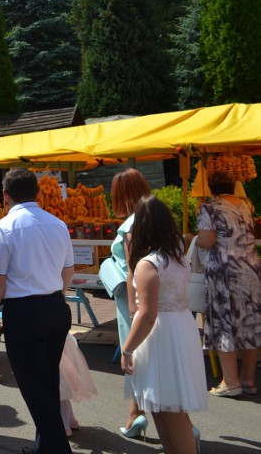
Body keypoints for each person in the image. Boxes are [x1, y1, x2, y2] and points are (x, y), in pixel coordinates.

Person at [0, 168, 74, 454]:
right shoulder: (57, 223)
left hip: (25, 311)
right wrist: (55, 294)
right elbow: (68, 270)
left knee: (36, 389)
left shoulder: (4, 227)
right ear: (36, 192)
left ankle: (57, 450)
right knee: (47, 383)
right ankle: (43, 449)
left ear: (5, 195)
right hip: (55, 306)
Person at [121, 196, 207, 453]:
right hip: (180, 327)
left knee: (168, 409)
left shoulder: (149, 264)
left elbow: (147, 315)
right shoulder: (178, 258)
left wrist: (127, 349)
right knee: (161, 407)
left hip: (161, 335)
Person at [195, 170, 261, 397]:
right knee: (250, 323)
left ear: (211, 186)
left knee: (226, 322)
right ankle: (248, 379)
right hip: (251, 268)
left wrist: (193, 239)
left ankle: (230, 381)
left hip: (225, 271)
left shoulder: (210, 207)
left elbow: (206, 240)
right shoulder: (246, 205)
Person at [107, 168, 154, 437]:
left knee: (136, 356)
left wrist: (134, 306)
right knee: (147, 357)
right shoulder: (154, 218)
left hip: (133, 299)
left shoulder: (129, 226)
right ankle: (135, 414)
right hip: (152, 296)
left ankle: (138, 415)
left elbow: (133, 269)